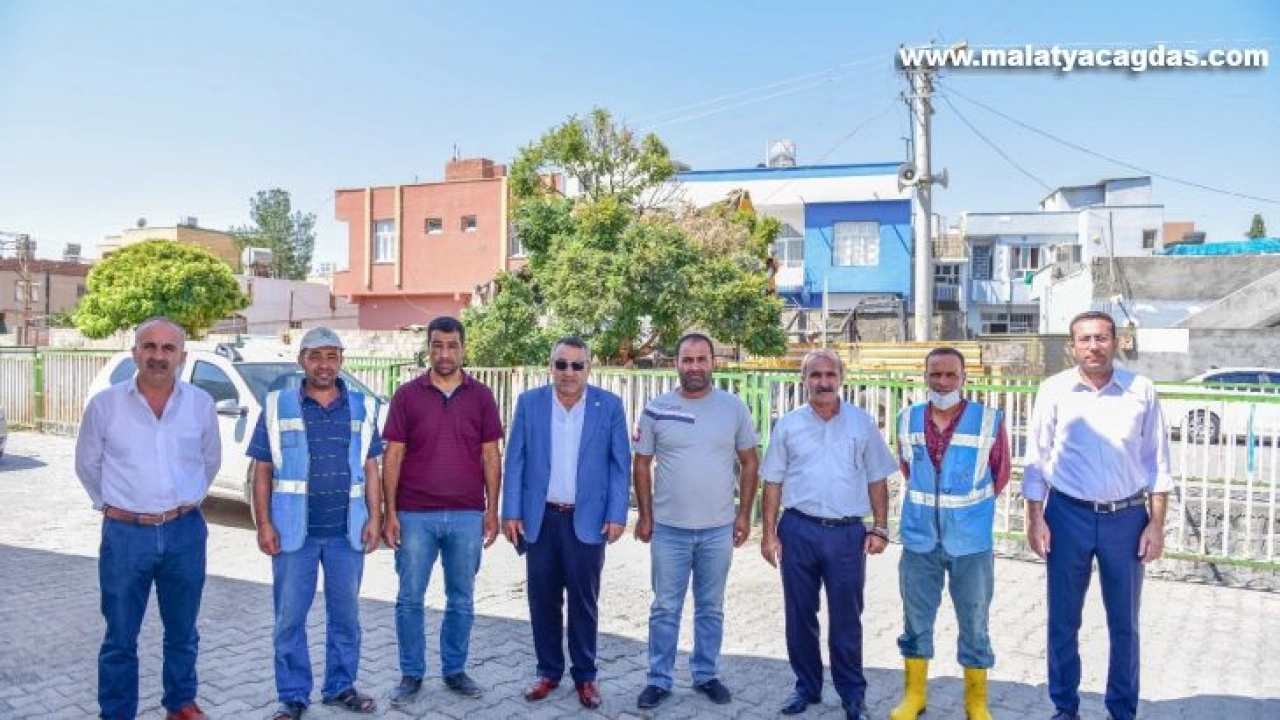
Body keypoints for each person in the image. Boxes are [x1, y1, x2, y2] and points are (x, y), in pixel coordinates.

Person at [1024, 310, 1172, 720]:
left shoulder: (1141, 390)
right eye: (1085, 339)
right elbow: (1036, 460)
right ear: (1073, 346)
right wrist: (1035, 518)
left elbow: (1158, 462)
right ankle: (1064, 707)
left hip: (1127, 520)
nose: (1093, 346)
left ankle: (1121, 709)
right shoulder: (1053, 390)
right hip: (1066, 516)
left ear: (1117, 342)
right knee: (1062, 620)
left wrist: (1156, 525)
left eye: (1102, 338)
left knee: (1125, 623)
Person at [75, 316, 221, 720]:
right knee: (120, 635)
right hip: (126, 535)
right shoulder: (105, 405)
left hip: (184, 533)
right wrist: (112, 506)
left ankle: (180, 703)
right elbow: (87, 464)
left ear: (182, 356)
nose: (158, 355)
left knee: (183, 630)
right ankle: (117, 712)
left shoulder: (200, 405)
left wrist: (183, 503)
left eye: (168, 348)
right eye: (149, 346)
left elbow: (210, 461)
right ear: (135, 352)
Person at [246, 328, 384, 719]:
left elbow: (370, 468)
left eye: (331, 356)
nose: (324, 364)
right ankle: (293, 696)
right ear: (301, 360)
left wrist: (375, 517)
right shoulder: (278, 405)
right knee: (289, 618)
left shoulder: (361, 406)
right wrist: (263, 523)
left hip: (346, 532)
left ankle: (340, 687)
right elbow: (262, 468)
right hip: (294, 534)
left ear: (341, 360)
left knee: (346, 617)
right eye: (315, 356)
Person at [759, 348, 897, 720]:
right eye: (815, 375)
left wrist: (880, 527)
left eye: (830, 374)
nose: (823, 382)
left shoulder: (861, 423)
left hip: (847, 534)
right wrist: (768, 534)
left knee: (847, 618)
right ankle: (806, 687)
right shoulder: (788, 425)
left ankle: (852, 694)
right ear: (803, 380)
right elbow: (772, 482)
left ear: (841, 379)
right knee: (799, 614)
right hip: (798, 530)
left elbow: (877, 478)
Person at [501, 337, 631, 709]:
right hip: (541, 519)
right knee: (542, 600)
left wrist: (617, 514)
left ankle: (585, 677)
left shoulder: (609, 406)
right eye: (561, 364)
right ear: (551, 366)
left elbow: (620, 465)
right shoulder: (530, 403)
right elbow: (515, 460)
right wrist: (511, 511)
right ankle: (548, 672)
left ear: (589, 368)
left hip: (588, 521)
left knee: (584, 603)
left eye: (577, 365)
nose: (568, 372)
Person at [632, 332, 760, 710]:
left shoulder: (733, 408)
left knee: (710, 608)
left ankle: (705, 674)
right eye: (687, 360)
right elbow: (641, 464)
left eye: (701, 359)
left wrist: (743, 514)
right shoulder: (656, 408)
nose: (694, 367)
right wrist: (646, 516)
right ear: (676, 363)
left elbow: (750, 462)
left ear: (713, 362)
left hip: (718, 529)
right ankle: (659, 679)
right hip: (668, 530)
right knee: (664, 608)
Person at [382, 316, 504, 707]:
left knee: (461, 600)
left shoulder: (481, 397)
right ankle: (411, 674)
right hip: (415, 515)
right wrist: (390, 512)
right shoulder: (407, 395)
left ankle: (454, 671)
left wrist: (492, 510)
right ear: (428, 348)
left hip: (467, 515)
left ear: (463, 348)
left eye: (452, 346)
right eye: (437, 345)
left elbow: (491, 456)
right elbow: (393, 456)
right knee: (409, 599)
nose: (445, 353)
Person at [889, 347, 1011, 720]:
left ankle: (976, 702)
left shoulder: (988, 420)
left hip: (970, 542)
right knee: (915, 619)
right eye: (935, 374)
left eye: (950, 375)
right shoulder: (907, 418)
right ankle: (914, 697)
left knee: (974, 621)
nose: (942, 382)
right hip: (920, 539)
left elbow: (1000, 473)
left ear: (963, 378)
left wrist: (966, 512)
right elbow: (908, 469)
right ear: (925, 375)